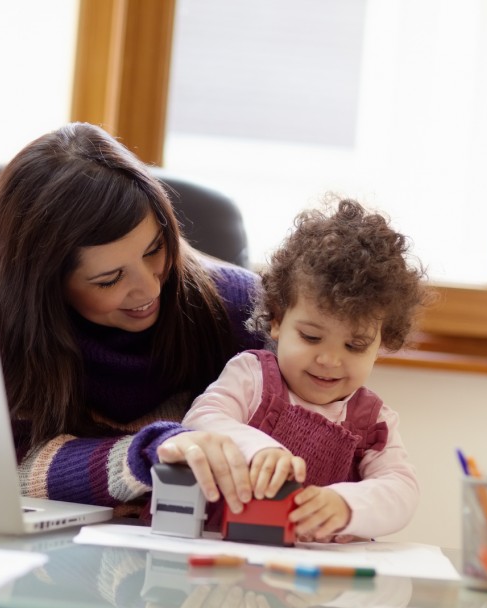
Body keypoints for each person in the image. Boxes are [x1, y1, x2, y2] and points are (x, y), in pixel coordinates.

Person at [0, 121, 270, 608]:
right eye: (109, 279)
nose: (148, 286)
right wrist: (145, 455)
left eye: (155, 249)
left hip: (184, 573)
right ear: (45, 285)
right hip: (18, 572)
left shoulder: (239, 308)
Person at [183, 198, 434, 543]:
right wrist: (257, 448)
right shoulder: (251, 376)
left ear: (382, 343)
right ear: (277, 318)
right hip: (227, 558)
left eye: (355, 346)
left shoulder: (374, 422)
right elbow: (201, 420)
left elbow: (402, 490)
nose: (329, 360)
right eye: (311, 337)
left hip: (315, 583)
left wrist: (346, 505)